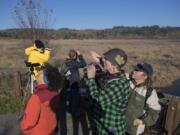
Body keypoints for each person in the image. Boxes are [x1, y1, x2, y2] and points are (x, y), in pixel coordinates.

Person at [85, 48, 131, 135]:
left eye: (106, 59)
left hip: (111, 128)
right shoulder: (111, 75)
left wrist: (91, 78)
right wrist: (99, 60)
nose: (103, 60)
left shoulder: (119, 85)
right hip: (100, 125)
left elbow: (97, 101)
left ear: (113, 65)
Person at [20, 63, 62, 135]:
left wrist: (22, 126)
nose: (36, 76)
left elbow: (29, 122)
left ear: (46, 78)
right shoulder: (56, 94)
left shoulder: (36, 97)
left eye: (39, 74)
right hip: (51, 131)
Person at [125, 63, 161, 135]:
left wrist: (141, 121)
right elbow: (114, 69)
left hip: (134, 130)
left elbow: (155, 112)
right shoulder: (128, 81)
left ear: (145, 76)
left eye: (137, 70)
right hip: (120, 124)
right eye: (135, 69)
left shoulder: (149, 92)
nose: (134, 71)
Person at [58, 49, 87, 135]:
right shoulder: (74, 64)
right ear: (74, 56)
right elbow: (83, 64)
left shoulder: (66, 63)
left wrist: (69, 59)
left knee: (70, 99)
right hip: (74, 85)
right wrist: (80, 55)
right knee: (74, 100)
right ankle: (74, 114)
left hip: (67, 85)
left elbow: (61, 71)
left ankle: (70, 110)